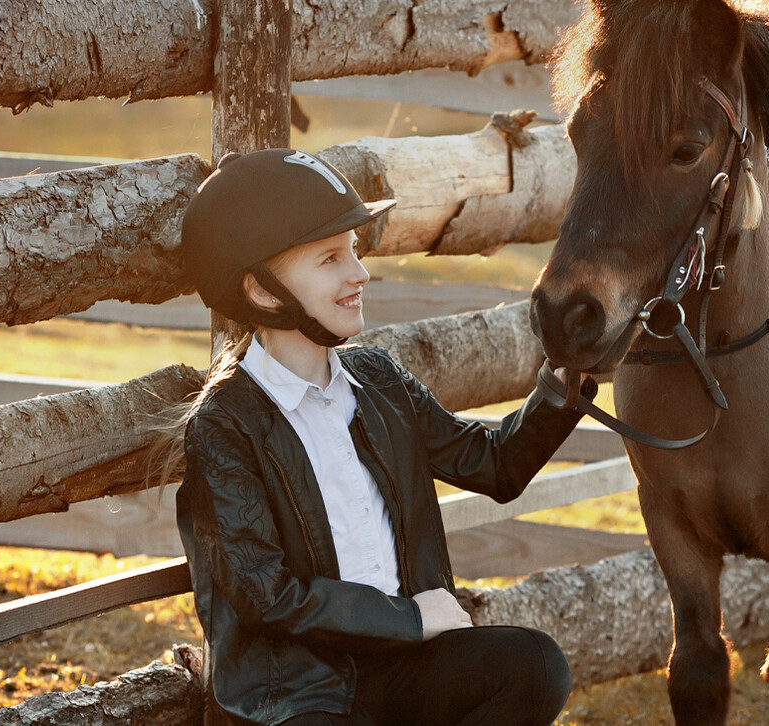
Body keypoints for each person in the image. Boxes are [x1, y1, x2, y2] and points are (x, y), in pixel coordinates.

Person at [171, 148, 595, 726]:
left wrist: (569, 379)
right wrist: (411, 618)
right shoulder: (225, 424)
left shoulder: (377, 380)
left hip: (401, 669)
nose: (359, 273)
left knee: (536, 665)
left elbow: (495, 466)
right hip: (299, 696)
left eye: (354, 253)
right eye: (330, 260)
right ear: (264, 291)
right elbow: (265, 594)